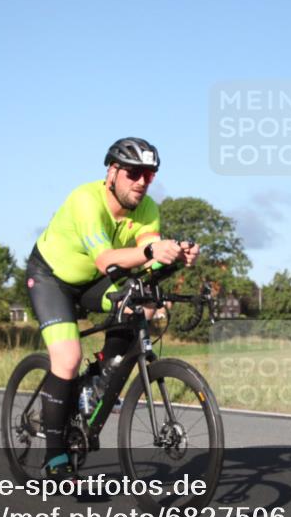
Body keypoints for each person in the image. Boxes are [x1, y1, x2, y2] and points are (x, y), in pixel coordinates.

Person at [25, 137, 200, 480]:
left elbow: (149, 252)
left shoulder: (148, 209)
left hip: (94, 280)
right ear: (112, 172)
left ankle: (103, 373)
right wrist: (152, 253)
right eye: (134, 173)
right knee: (68, 359)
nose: (141, 182)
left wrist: (175, 254)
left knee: (144, 304)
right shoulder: (86, 200)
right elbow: (106, 259)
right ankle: (54, 457)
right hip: (52, 279)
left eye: (149, 175)